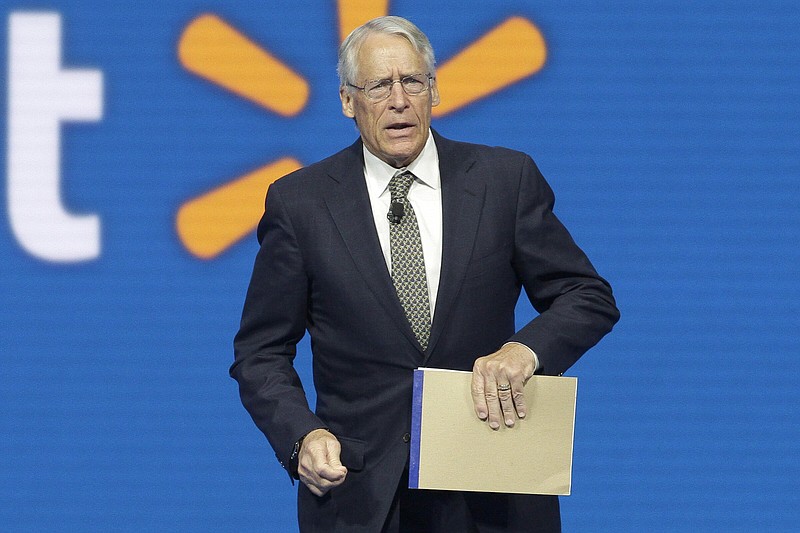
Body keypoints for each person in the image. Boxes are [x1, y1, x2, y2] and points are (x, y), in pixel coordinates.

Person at [231, 15, 619, 532]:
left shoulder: (504, 180)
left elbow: (585, 295)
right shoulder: (301, 203)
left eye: (412, 81)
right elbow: (261, 352)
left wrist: (525, 351)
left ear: (434, 90)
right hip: (363, 497)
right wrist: (302, 435)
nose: (398, 100)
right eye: (378, 86)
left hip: (491, 486)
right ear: (348, 100)